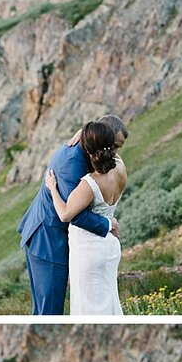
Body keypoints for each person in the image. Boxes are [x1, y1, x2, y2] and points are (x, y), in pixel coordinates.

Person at [18, 116, 127, 315]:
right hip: (48, 238)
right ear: (100, 138)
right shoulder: (72, 165)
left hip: (73, 240)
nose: (114, 153)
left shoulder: (93, 152)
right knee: (49, 310)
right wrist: (108, 223)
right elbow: (73, 214)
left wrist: (82, 130)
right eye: (113, 146)